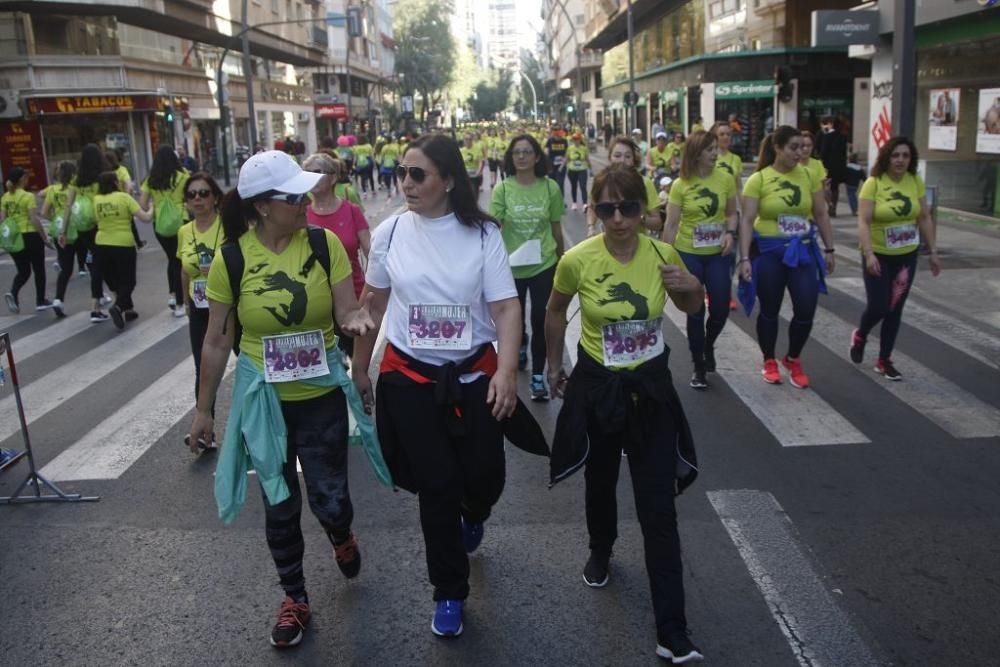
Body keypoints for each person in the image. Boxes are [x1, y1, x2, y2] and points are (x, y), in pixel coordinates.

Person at [187, 150, 378, 648]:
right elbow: (216, 338)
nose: (304, 201)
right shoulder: (232, 259)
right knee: (279, 501)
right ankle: (294, 597)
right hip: (263, 401)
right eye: (293, 195)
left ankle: (341, 533)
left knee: (330, 498)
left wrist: (356, 324)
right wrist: (204, 409)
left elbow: (346, 308)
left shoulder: (324, 243)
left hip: (319, 395)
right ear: (263, 207)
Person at [351, 134, 529, 639]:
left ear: (448, 180)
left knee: (485, 478)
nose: (406, 183)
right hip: (410, 379)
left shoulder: (482, 235)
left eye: (418, 174)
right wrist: (360, 368)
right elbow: (374, 305)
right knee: (437, 486)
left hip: (474, 378)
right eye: (402, 173)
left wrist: (507, 369)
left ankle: (477, 514)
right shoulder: (389, 234)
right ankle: (448, 590)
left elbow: (504, 308)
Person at [544, 163, 704, 664]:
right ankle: (601, 546)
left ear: (643, 211)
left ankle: (672, 629)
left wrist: (689, 284)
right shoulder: (577, 259)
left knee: (658, 507)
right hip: (600, 386)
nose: (618, 219)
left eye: (629, 208)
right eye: (608, 208)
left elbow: (693, 305)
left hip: (650, 387)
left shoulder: (662, 254)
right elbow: (554, 309)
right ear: (595, 209)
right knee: (601, 478)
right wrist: (553, 363)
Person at [737, 125, 836, 388]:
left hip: (802, 251)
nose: (799, 153)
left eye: (802, 147)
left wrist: (829, 248)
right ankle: (769, 359)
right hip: (769, 254)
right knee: (769, 310)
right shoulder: (758, 179)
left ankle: (793, 358)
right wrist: (744, 258)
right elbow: (746, 220)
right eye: (793, 147)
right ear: (777, 148)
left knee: (806, 309)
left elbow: (821, 213)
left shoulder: (808, 175)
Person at [850, 136, 940, 380]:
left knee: (894, 308)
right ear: (887, 157)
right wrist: (868, 254)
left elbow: (924, 217)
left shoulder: (914, 181)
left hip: (906, 256)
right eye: (895, 155)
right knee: (878, 306)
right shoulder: (874, 183)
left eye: (905, 156)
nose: (900, 160)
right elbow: (863, 221)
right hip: (877, 254)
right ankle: (861, 335)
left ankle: (884, 360)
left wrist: (933, 251)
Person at [490, 133, 565, 401]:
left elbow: (556, 227)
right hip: (510, 268)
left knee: (541, 320)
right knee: (516, 320)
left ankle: (537, 377)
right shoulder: (503, 189)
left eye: (526, 151)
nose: (521, 156)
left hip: (544, 263)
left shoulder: (550, 188)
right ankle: (519, 345)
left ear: (536, 156)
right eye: (516, 152)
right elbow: (492, 228)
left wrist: (562, 259)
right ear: (511, 158)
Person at [662, 131, 738, 389]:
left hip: (718, 255)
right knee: (695, 312)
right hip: (688, 253)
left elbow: (731, 213)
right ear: (696, 153)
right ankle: (698, 364)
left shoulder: (725, 179)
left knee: (720, 310)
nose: (715, 153)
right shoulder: (680, 184)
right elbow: (671, 224)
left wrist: (730, 233)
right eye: (709, 150)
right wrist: (664, 259)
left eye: (716, 148)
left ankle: (708, 345)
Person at [303, 152, 371, 358]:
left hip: (352, 298)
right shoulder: (300, 214)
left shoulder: (351, 211)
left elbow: (372, 254)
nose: (310, 177)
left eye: (316, 172)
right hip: (313, 301)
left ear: (333, 177)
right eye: (306, 173)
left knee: (357, 361)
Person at [176, 171, 225, 420]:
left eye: (204, 193)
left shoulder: (227, 226)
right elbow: (184, 270)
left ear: (215, 197)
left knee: (250, 364)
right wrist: (185, 301)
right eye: (192, 194)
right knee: (203, 368)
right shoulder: (185, 231)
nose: (198, 199)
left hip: (228, 308)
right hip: (199, 307)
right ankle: (205, 425)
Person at [92, 171, 154, 330]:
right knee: (128, 280)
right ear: (115, 183)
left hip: (101, 244)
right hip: (123, 244)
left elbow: (94, 220)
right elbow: (145, 218)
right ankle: (118, 307)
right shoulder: (124, 198)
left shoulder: (96, 200)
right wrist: (152, 208)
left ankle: (128, 309)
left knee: (114, 279)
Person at [60, 144, 112, 321]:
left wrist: (63, 230)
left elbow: (68, 205)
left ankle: (97, 304)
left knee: (97, 262)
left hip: (83, 226)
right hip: (100, 224)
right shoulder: (102, 178)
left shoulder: (76, 180)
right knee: (103, 263)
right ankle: (98, 305)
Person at [139, 145, 190, 316]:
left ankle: (172, 294)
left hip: (160, 223)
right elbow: (190, 198)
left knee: (171, 258)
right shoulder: (183, 176)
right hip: (181, 220)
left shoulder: (150, 180)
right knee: (180, 261)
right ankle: (180, 302)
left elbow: (143, 205)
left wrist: (155, 205)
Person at [587, 136, 662, 237]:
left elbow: (657, 223)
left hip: (637, 245)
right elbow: (592, 207)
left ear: (634, 160)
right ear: (610, 157)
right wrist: (591, 227)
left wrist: (638, 217)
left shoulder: (645, 183)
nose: (622, 160)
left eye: (627, 156)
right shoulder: (601, 181)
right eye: (617, 156)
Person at [2, 167, 51, 313]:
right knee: (39, 270)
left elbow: (3, 220)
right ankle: (40, 300)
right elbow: (34, 219)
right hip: (30, 235)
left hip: (15, 237)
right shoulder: (28, 196)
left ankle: (13, 293)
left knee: (23, 271)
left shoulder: (5, 197)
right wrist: (44, 238)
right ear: (22, 179)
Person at [40, 161, 80, 318]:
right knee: (91, 264)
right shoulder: (75, 188)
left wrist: (55, 219)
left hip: (59, 230)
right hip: (76, 228)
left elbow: (43, 212)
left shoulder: (51, 190)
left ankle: (58, 299)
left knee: (66, 268)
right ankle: (99, 297)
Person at [817, 117, 848, 217]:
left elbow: (823, 152)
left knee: (826, 187)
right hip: (839, 166)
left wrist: (821, 161)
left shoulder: (827, 136)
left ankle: (829, 205)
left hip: (828, 166)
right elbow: (844, 153)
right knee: (835, 187)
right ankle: (834, 207)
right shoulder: (843, 137)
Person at [565, 133, 592, 211]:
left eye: (577, 139)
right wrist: (562, 167)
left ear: (580, 140)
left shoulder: (584, 148)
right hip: (572, 170)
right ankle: (574, 203)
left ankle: (585, 204)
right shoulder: (570, 148)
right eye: (574, 139)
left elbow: (587, 159)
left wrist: (591, 170)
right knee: (574, 186)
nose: (576, 141)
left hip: (582, 170)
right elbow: (567, 158)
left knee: (583, 186)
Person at [545, 125, 569, 195]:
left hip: (561, 165)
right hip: (551, 166)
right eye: (556, 135)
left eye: (559, 135)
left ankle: (561, 201)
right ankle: (552, 200)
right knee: (552, 184)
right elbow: (546, 152)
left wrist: (562, 165)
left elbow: (567, 154)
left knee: (560, 184)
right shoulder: (550, 141)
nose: (557, 137)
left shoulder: (564, 141)